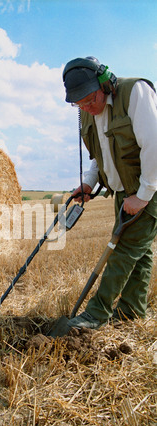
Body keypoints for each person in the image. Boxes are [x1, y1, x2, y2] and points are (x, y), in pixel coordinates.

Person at [61, 56, 157, 330]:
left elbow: (154, 144)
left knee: (123, 251)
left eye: (91, 100)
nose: (87, 108)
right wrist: (89, 182)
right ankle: (132, 312)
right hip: (123, 193)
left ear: (105, 83)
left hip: (149, 188)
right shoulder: (90, 114)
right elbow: (99, 156)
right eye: (79, 105)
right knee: (139, 254)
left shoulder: (134, 93)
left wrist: (143, 194)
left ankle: (96, 313)